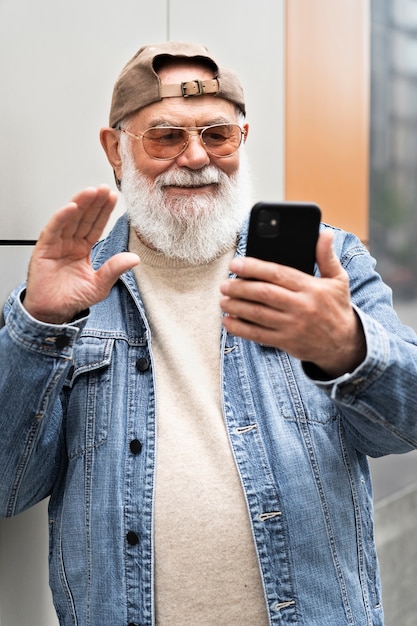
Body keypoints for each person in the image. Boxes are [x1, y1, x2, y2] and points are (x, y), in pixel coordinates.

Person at [0, 41, 416, 626]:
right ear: (114, 149)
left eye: (217, 135)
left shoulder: (327, 266)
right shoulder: (70, 291)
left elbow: (407, 425)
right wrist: (40, 327)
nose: (195, 157)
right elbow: (6, 486)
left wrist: (346, 345)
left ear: (241, 140)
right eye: (166, 136)